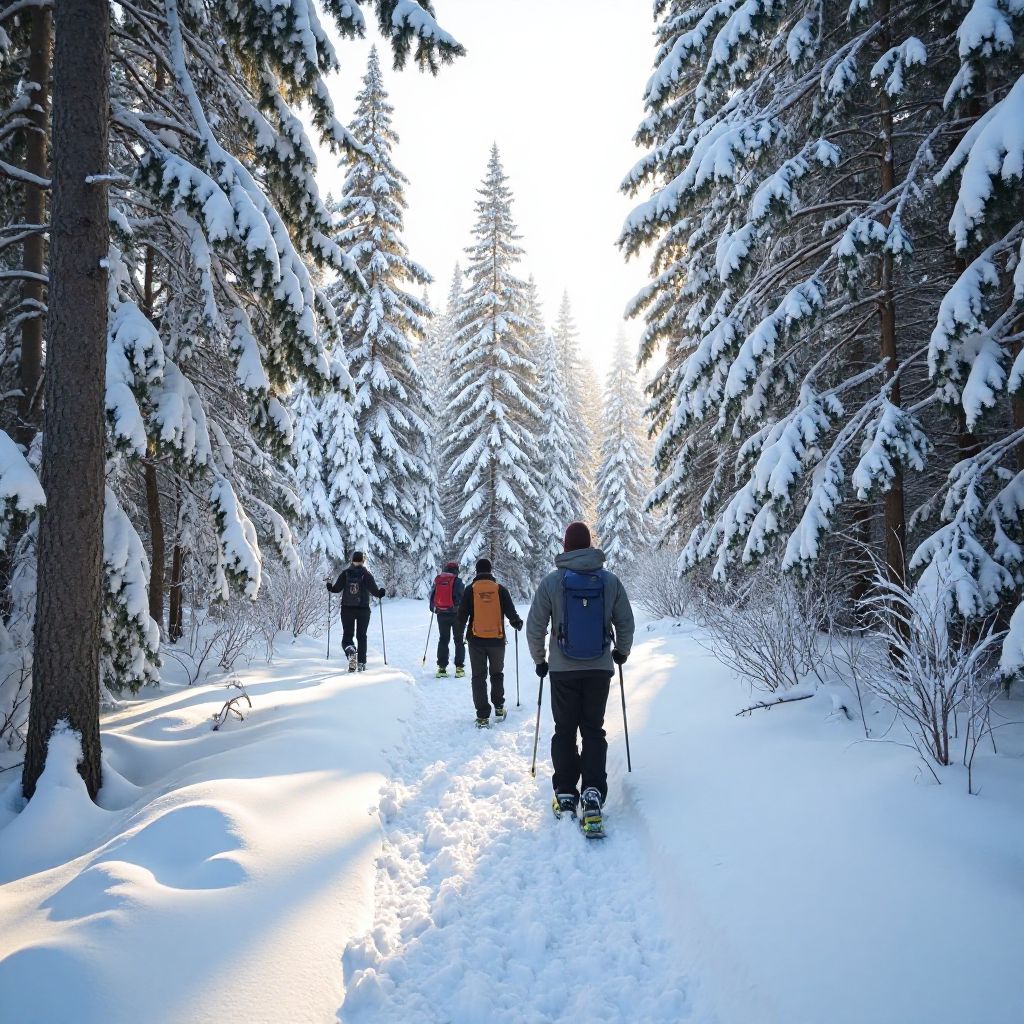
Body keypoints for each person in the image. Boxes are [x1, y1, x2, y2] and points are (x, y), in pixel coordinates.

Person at [526, 521, 634, 836]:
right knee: (592, 730)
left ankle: (565, 793)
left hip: (562, 670)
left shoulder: (552, 582)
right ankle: (593, 794)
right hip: (599, 668)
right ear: (589, 545)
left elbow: (535, 627)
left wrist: (540, 660)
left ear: (566, 547)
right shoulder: (610, 581)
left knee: (564, 730)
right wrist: (621, 653)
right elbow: (625, 621)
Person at [456, 557, 522, 728]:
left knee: (478, 677)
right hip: (497, 640)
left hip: (475, 640)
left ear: (477, 572)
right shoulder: (500, 590)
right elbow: (511, 612)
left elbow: (462, 616)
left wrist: (458, 632)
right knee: (496, 674)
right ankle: (499, 708)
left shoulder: (470, 590)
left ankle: (483, 716)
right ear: (490, 571)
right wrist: (516, 622)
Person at [327, 551, 387, 672]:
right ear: (363, 561)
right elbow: (376, 592)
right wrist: (381, 592)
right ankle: (361, 663)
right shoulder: (367, 574)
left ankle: (350, 651)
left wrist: (329, 586)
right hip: (363, 611)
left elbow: (336, 589)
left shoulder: (345, 573)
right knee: (361, 636)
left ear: (352, 561)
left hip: (347, 609)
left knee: (348, 635)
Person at [429, 560, 466, 678]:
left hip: (441, 614)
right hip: (457, 615)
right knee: (459, 640)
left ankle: (442, 668)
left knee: (443, 639)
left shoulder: (438, 580)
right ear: (456, 570)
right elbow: (463, 598)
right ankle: (459, 668)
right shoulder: (458, 581)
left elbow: (432, 596)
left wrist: (434, 609)